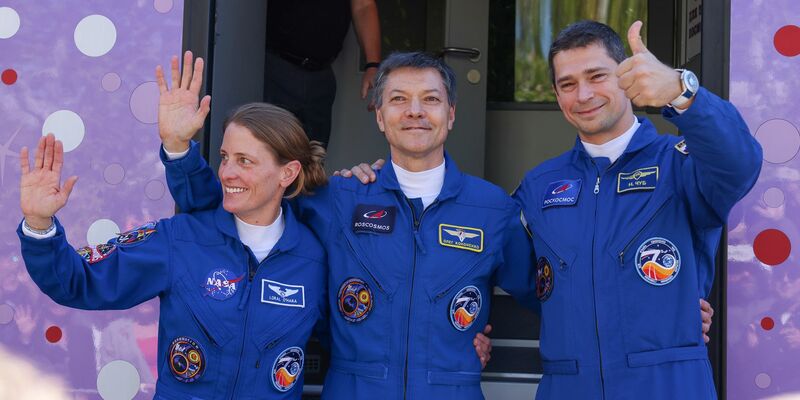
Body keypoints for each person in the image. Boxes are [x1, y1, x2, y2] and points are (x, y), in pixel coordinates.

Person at [159, 51, 539, 399]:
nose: (415, 111)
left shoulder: (492, 209)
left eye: (432, 99)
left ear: (451, 113)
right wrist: (179, 152)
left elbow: (549, 296)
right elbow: (232, 206)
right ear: (378, 115)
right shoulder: (337, 198)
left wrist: (473, 336)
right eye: (398, 99)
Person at [17, 54, 329, 399]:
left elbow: (366, 343)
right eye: (225, 157)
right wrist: (38, 223)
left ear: (288, 173)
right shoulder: (181, 240)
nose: (227, 172)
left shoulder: (316, 259)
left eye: (245, 161)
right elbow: (77, 281)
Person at [507, 20, 760, 399]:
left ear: (626, 78)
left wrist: (681, 91)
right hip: (570, 386)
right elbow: (514, 273)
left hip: (667, 386)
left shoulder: (680, 165)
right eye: (568, 84)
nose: (584, 94)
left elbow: (740, 162)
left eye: (597, 76)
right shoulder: (538, 185)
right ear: (557, 96)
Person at [264, 0, 381, 147]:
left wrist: (372, 65)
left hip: (321, 76)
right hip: (276, 68)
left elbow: (364, 5)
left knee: (313, 159)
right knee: (271, 152)